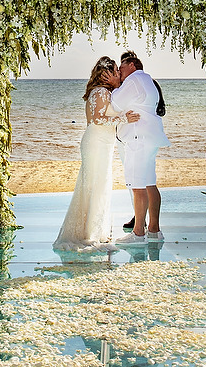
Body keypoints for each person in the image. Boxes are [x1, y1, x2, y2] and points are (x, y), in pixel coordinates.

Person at [53, 57, 124, 253]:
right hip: (97, 142)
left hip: (101, 142)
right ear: (106, 74)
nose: (118, 74)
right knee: (96, 185)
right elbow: (98, 119)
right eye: (116, 71)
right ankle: (90, 234)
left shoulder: (99, 92)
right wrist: (124, 117)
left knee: (96, 185)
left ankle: (93, 230)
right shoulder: (100, 92)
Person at [111, 50, 170, 245]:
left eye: (121, 67)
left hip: (138, 137)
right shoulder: (148, 80)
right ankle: (154, 230)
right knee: (149, 183)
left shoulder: (134, 79)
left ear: (132, 65)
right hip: (150, 136)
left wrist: (114, 86)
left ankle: (138, 234)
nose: (119, 71)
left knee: (137, 186)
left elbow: (115, 103)